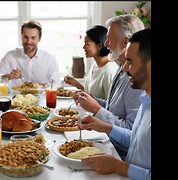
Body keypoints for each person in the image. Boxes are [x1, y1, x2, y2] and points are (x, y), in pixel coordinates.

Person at [78, 28, 151, 180]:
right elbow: (138, 140)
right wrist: (106, 127)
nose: (124, 68)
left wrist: (117, 166)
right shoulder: (146, 101)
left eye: (130, 62)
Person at [73, 14, 145, 159]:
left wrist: (96, 109)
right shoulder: (120, 67)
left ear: (125, 42)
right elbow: (114, 107)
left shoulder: (139, 81)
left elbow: (131, 133)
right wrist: (93, 100)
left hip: (119, 154)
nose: (105, 44)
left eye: (109, 38)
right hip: (106, 142)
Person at [0, 20, 60, 87]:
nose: (29, 42)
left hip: (41, 97)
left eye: (33, 38)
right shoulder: (10, 56)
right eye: (26, 37)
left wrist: (45, 86)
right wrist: (8, 76)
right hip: (15, 97)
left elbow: (57, 84)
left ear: (39, 38)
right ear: (21, 37)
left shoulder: (49, 59)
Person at [64, 25, 118, 99]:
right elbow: (91, 95)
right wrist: (76, 84)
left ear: (99, 45)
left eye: (87, 44)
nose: (83, 47)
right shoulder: (95, 64)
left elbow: (110, 105)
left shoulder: (109, 71)